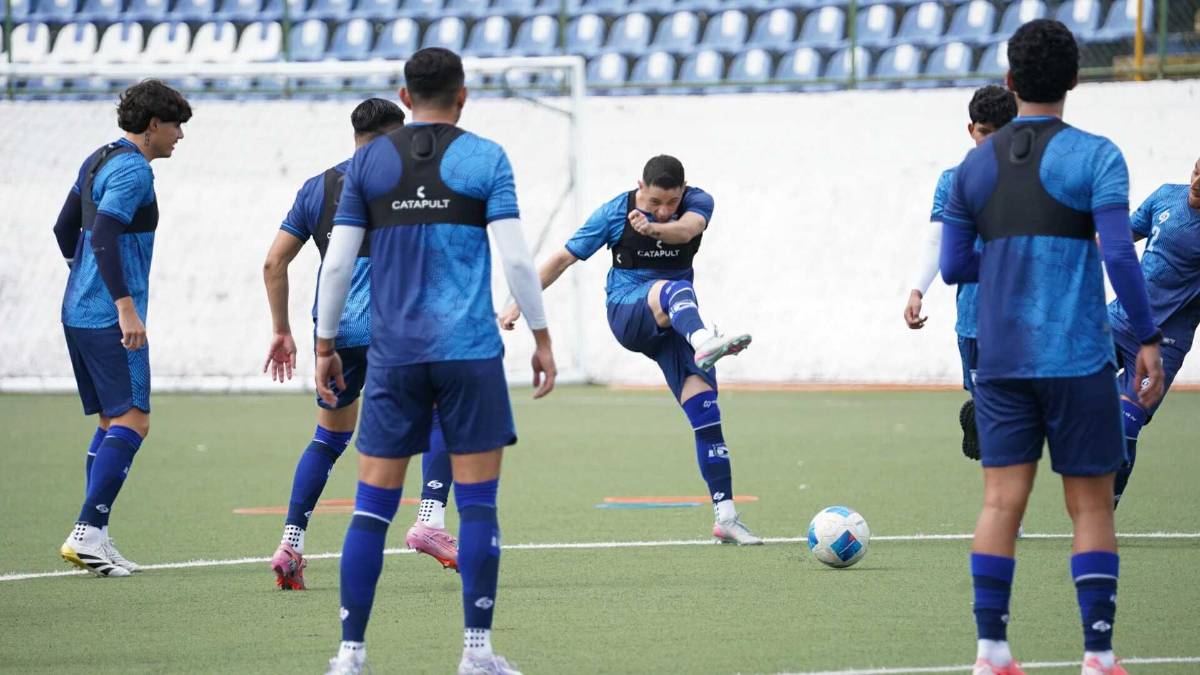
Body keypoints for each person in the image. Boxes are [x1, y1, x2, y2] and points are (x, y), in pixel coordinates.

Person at [316, 48, 555, 675]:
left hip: (394, 357)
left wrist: (322, 344)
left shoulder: (367, 162)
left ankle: (350, 655)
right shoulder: (486, 157)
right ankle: (476, 653)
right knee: (476, 506)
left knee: (371, 506)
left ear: (403, 96)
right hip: (470, 354)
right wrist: (542, 335)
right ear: (463, 95)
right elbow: (520, 262)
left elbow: (338, 264)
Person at [940, 20, 1164, 675]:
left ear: (1010, 83)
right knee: (1090, 504)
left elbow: (954, 264)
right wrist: (1147, 336)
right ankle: (1097, 654)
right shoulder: (1098, 157)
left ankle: (991, 652)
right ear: (1075, 78)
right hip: (1079, 357)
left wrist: (1012, 260)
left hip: (1001, 359)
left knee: (999, 502)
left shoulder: (973, 166)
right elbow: (1120, 255)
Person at [499, 155, 760, 544]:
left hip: (676, 323)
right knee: (674, 289)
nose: (664, 209)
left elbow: (686, 231)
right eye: (655, 201)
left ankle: (726, 517)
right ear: (640, 186)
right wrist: (518, 301)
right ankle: (705, 341)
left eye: (672, 202)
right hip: (629, 311)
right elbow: (562, 258)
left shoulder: (697, 203)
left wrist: (655, 227)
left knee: (707, 414)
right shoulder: (614, 213)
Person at [261, 98, 458, 591]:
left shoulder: (317, 187)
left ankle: (291, 544)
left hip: (337, 331)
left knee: (328, 440)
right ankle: (430, 520)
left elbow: (273, 264)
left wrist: (281, 330)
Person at [55, 80, 192, 577]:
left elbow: (63, 229)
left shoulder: (97, 159)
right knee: (135, 421)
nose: (179, 135)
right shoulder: (134, 171)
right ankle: (87, 530)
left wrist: (85, 278)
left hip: (76, 310)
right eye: (176, 125)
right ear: (153, 125)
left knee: (112, 423)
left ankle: (98, 536)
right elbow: (107, 232)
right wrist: (124, 307)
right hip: (109, 317)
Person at [903, 85, 1017, 459]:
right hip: (973, 319)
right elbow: (938, 240)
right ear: (972, 130)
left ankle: (1006, 512)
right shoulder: (952, 181)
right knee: (999, 421)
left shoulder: (1030, 179)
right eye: (985, 131)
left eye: (1000, 132)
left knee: (1015, 415)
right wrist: (918, 289)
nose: (991, 140)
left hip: (1023, 317)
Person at [1109, 156, 1200, 507]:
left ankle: (1107, 501)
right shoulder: (1165, 196)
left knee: (1125, 430)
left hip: (1165, 346)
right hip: (1118, 321)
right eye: (1196, 171)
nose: (1197, 181)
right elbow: (1120, 239)